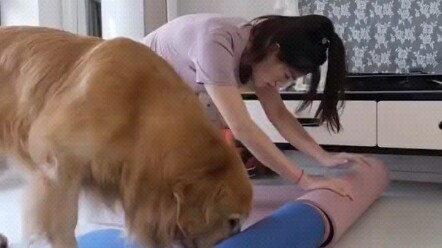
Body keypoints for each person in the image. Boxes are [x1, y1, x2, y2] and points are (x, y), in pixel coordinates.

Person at [141, 13, 373, 200]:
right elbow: (242, 128)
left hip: (180, 87)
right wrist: (306, 181)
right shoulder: (217, 43)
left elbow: (279, 115)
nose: (282, 84)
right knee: (181, 161)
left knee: (205, 160)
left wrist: (323, 157)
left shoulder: (259, 52)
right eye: (286, 75)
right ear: (274, 51)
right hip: (141, 78)